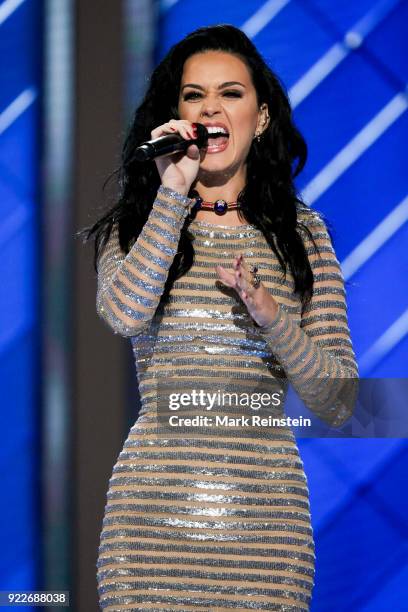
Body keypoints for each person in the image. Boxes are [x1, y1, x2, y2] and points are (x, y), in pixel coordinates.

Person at [80, 24, 358, 611]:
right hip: (150, 531)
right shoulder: (137, 224)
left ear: (259, 118)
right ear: (175, 115)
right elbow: (125, 314)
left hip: (268, 528)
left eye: (230, 93)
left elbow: (340, 401)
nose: (210, 108)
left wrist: (271, 316)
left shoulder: (303, 238)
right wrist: (172, 193)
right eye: (193, 95)